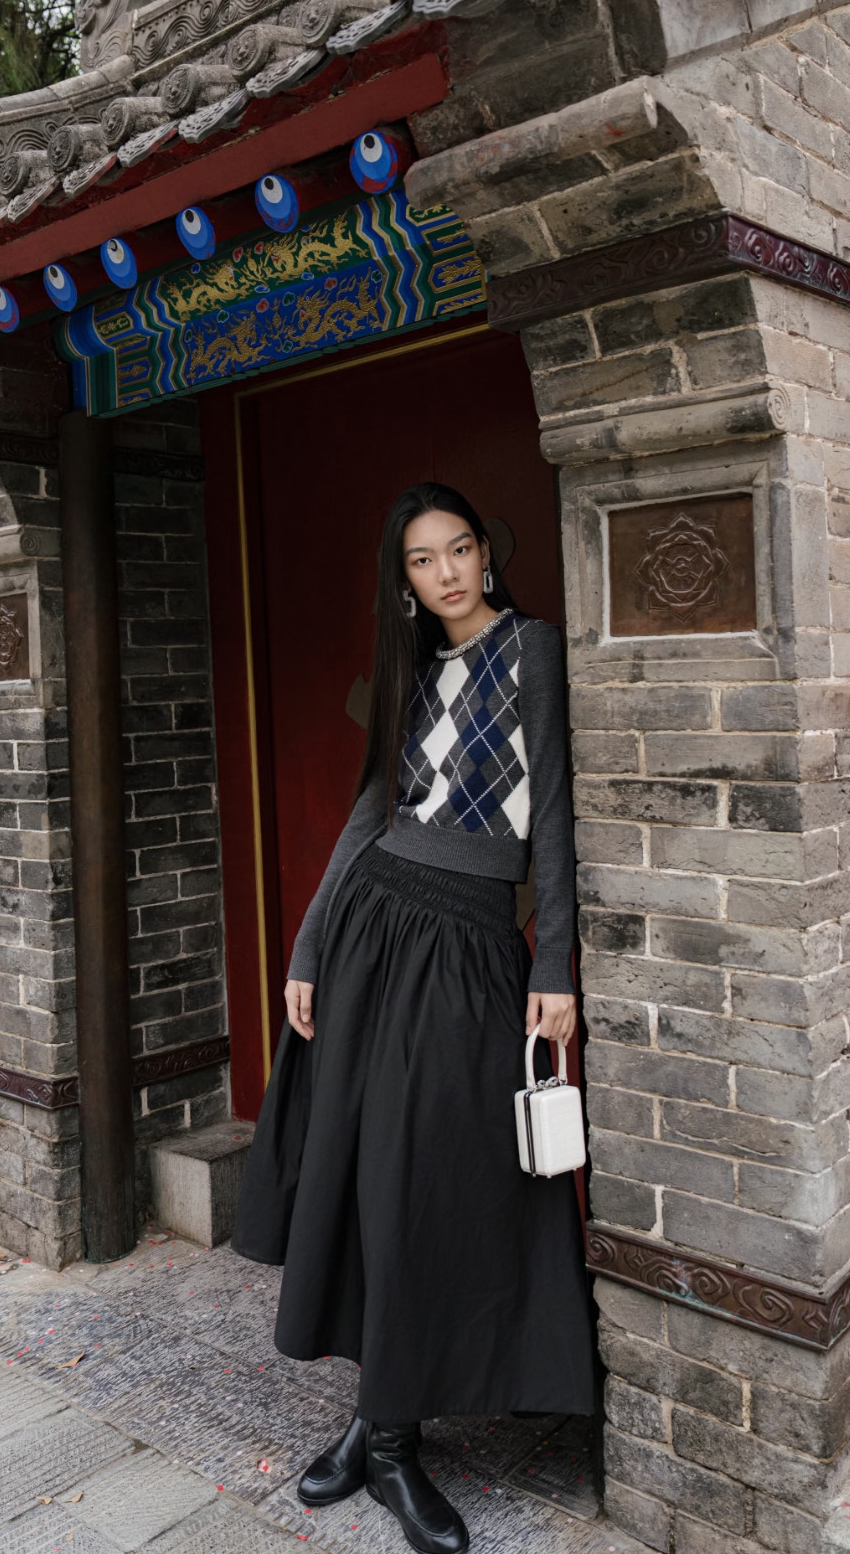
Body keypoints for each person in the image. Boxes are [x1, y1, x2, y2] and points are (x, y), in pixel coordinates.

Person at [231, 482, 593, 1554]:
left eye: (460, 548)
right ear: (404, 582)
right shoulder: (415, 672)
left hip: (473, 943)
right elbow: (369, 815)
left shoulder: (535, 651)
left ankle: (381, 1432)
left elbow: (555, 812)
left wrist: (556, 961)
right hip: (374, 932)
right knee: (369, 1172)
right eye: (425, 560)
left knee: (434, 1173)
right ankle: (384, 1436)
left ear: (486, 553)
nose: (448, 573)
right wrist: (307, 949)